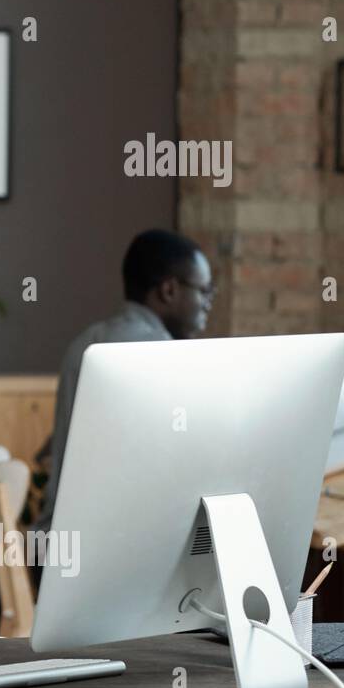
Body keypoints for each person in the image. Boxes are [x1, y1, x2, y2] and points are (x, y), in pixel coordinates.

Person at [33, 229, 213, 534]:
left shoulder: (86, 341)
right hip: (105, 555)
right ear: (169, 290)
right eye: (204, 290)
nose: (208, 303)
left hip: (58, 541)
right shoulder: (160, 354)